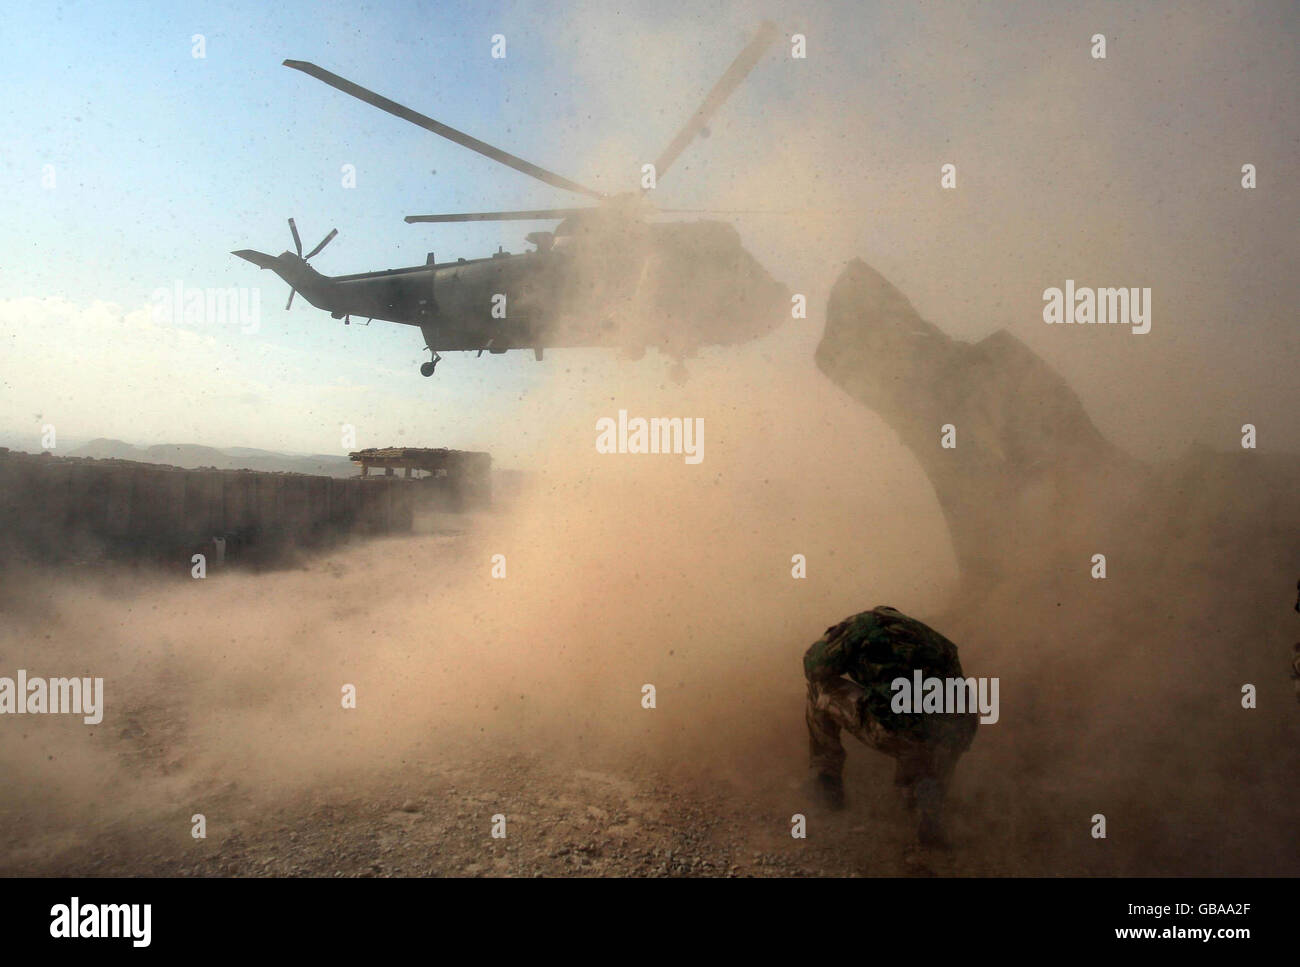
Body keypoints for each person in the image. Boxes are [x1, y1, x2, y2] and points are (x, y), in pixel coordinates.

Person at [803, 606, 978, 848]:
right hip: (956, 734)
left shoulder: (860, 626)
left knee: (818, 688)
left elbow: (814, 666)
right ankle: (923, 797)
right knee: (919, 735)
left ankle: (826, 779)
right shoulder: (928, 636)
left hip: (902, 730)